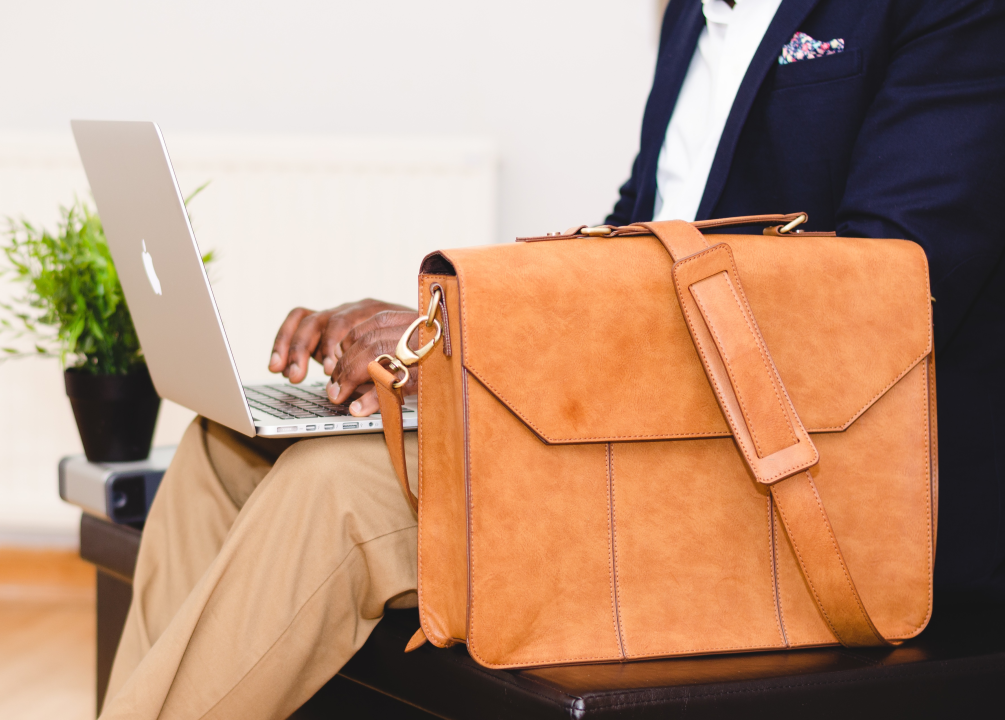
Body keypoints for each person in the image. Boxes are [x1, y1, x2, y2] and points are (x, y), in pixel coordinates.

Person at [101, 1, 1005, 717]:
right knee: (220, 453)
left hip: (801, 485)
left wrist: (475, 341)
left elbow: (880, 299)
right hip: (653, 439)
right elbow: (630, 239)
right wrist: (446, 340)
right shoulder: (690, 12)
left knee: (333, 494)